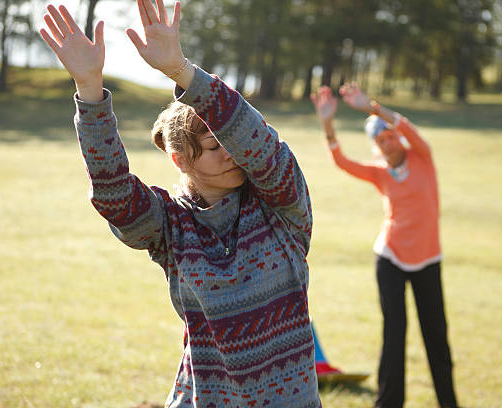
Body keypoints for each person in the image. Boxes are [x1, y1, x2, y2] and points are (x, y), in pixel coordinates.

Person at [39, 1, 321, 407]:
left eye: (232, 142)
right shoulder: (172, 226)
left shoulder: (281, 204)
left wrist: (181, 71)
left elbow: (258, 141)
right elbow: (113, 193)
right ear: (181, 159)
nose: (232, 153)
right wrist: (89, 88)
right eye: (214, 146)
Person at [311, 84, 458, 408]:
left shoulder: (422, 157)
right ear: (376, 146)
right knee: (394, 333)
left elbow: (407, 125)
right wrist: (328, 123)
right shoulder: (381, 173)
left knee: (436, 335)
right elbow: (342, 162)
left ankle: (449, 402)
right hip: (390, 258)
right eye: (380, 140)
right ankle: (388, 403)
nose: (387, 142)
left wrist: (371, 108)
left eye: (390, 136)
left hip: (428, 259)